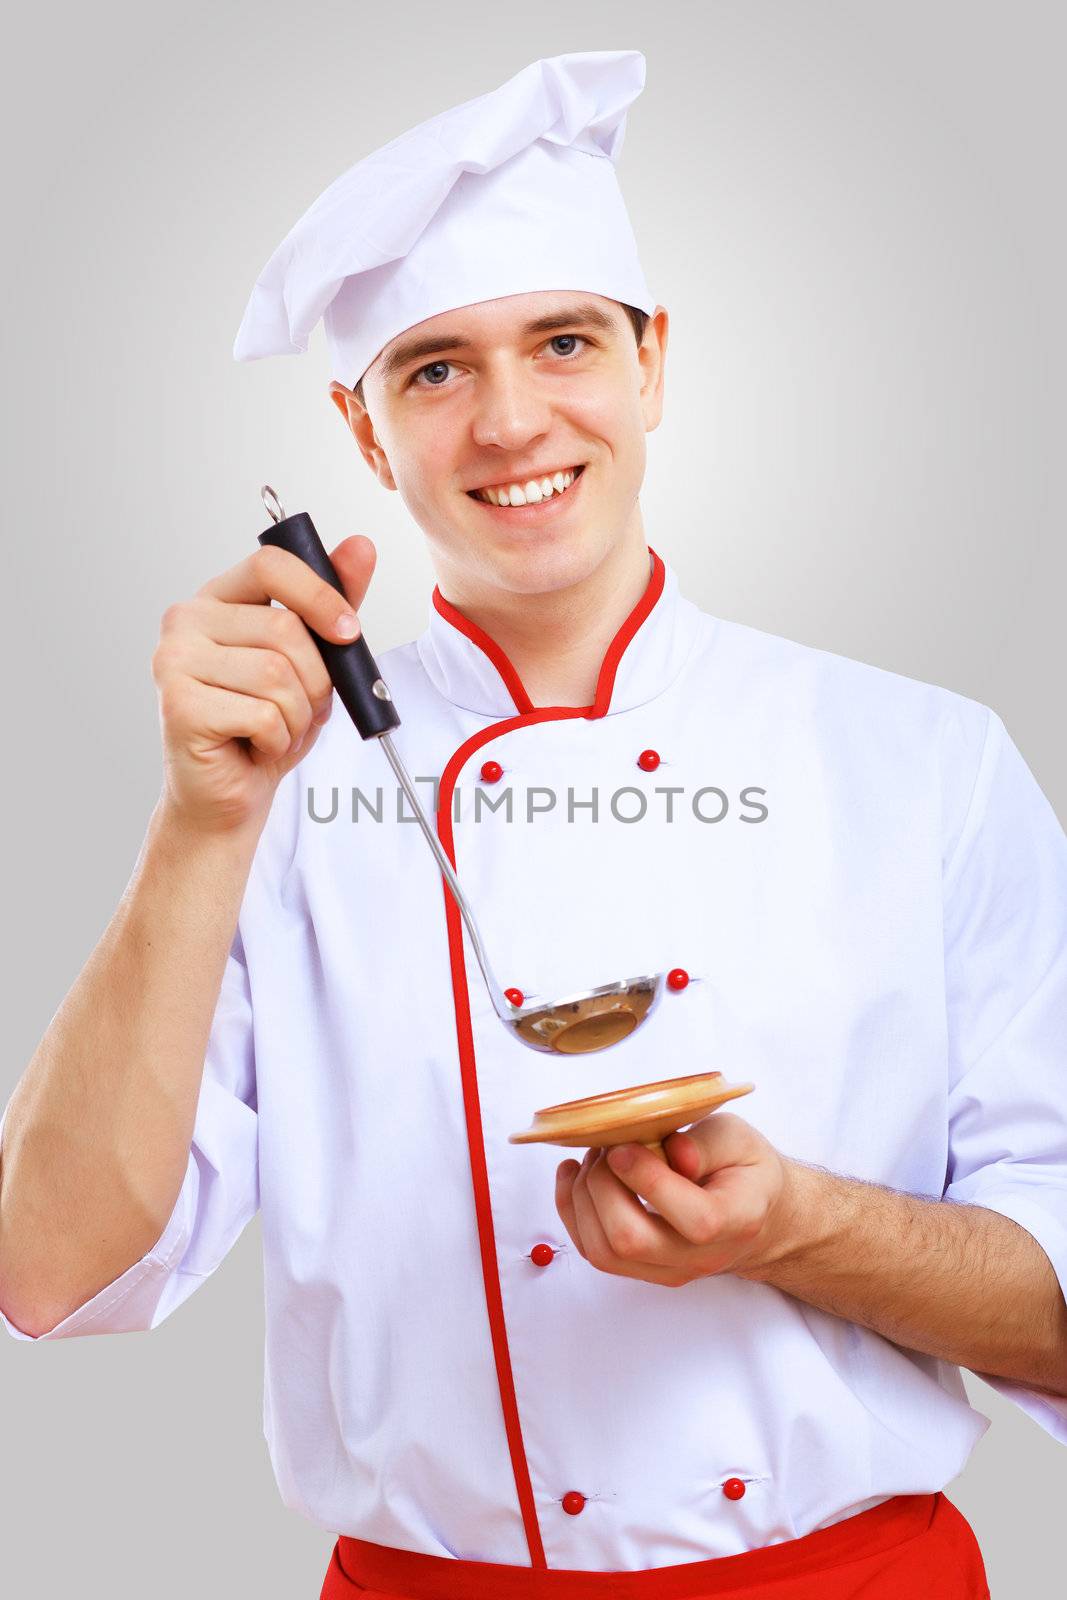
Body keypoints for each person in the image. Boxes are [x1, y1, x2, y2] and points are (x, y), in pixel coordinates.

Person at [1, 48, 1064, 1600]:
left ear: (652, 368)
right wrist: (199, 822)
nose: (510, 421)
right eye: (434, 367)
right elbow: (49, 1271)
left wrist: (794, 1226)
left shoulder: (926, 764)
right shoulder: (272, 793)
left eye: (562, 341)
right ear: (365, 437)